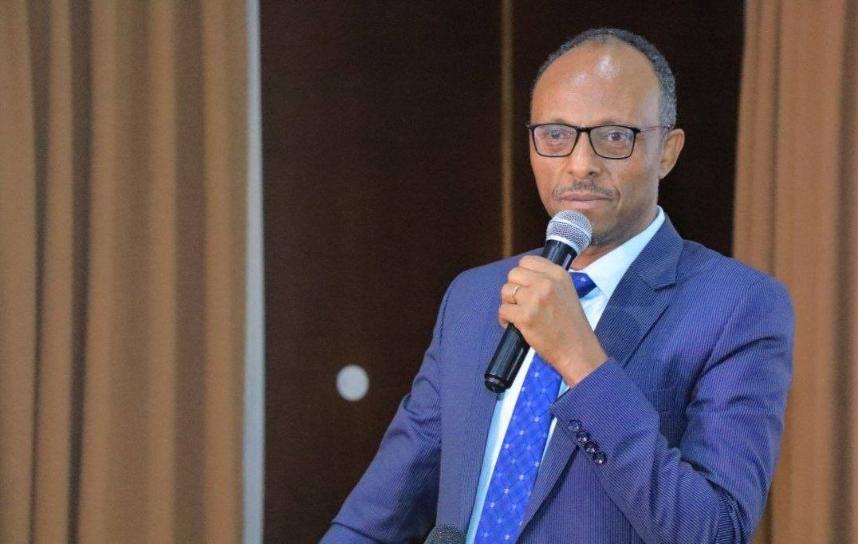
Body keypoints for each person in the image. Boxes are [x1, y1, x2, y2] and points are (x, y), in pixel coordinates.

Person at [321, 28, 793, 544]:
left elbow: (717, 530)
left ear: (667, 151)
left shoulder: (736, 306)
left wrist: (581, 360)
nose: (580, 164)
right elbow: (376, 516)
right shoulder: (475, 296)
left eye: (614, 136)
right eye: (555, 135)